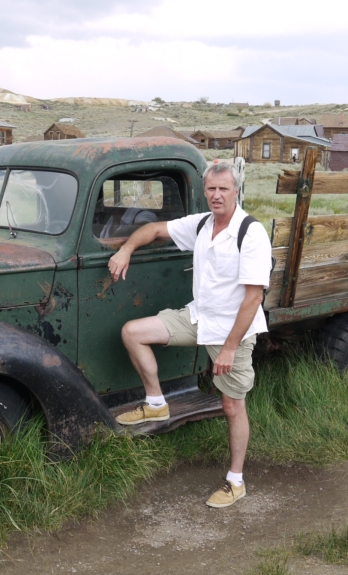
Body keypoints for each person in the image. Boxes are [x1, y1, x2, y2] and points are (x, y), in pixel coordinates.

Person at [108, 161, 272, 508]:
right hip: (200, 317)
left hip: (233, 329)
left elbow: (253, 298)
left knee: (232, 405)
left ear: (236, 191)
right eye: (211, 189)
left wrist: (229, 349)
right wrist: (126, 249)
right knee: (133, 333)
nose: (216, 195)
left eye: (223, 189)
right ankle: (156, 404)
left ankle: (235, 481)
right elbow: (153, 229)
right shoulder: (201, 224)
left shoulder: (250, 233)